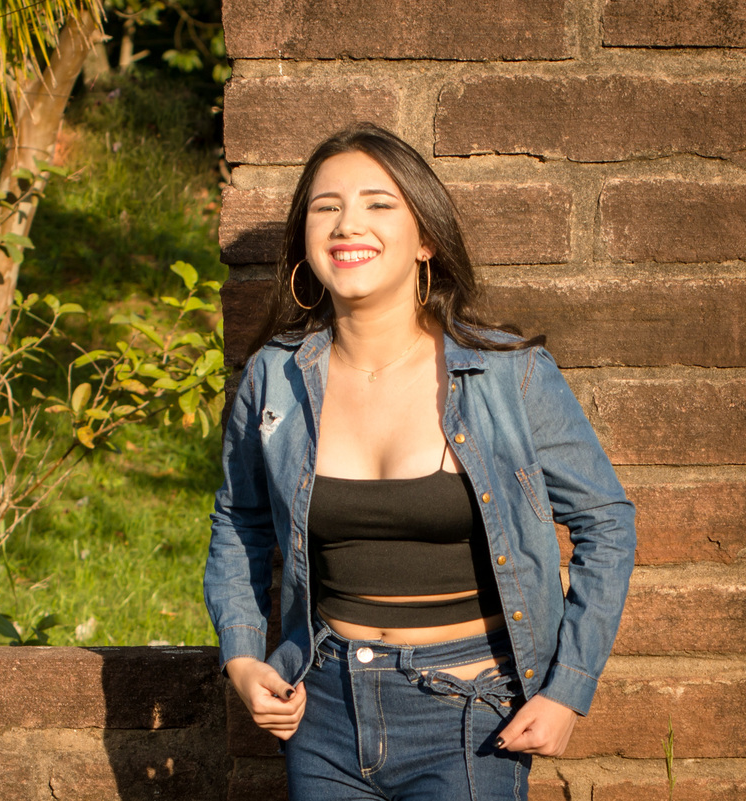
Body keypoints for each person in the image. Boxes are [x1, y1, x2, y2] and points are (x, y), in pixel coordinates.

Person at [204, 124, 635, 801]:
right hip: (322, 710)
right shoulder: (274, 377)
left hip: (470, 714)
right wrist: (241, 657)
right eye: (326, 206)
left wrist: (567, 690)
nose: (348, 224)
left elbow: (606, 522)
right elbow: (239, 522)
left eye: (379, 204)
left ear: (426, 237)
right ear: (305, 239)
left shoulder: (508, 375)